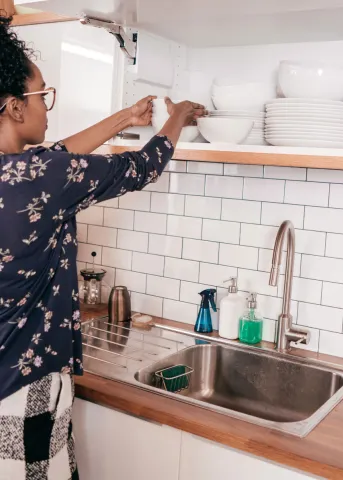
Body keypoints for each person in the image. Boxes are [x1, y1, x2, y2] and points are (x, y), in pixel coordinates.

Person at [0, 14, 206, 479]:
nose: (47, 108)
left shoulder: (27, 173)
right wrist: (178, 116)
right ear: (15, 107)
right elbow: (142, 167)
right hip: (23, 390)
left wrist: (124, 118)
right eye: (41, 96)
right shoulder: (44, 181)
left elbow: (55, 157)